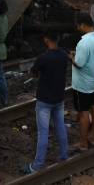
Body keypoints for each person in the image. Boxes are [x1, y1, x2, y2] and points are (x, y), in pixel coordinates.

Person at [26, 31, 69, 174]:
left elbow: (34, 73)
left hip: (44, 100)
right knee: (60, 127)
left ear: (46, 40)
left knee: (43, 132)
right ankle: (64, 156)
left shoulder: (43, 58)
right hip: (59, 98)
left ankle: (37, 165)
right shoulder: (64, 55)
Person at [70, 13, 94, 151]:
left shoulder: (83, 42)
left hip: (82, 84)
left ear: (83, 25)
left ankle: (83, 143)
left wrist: (71, 57)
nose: (78, 28)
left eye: (78, 26)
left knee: (84, 112)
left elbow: (79, 64)